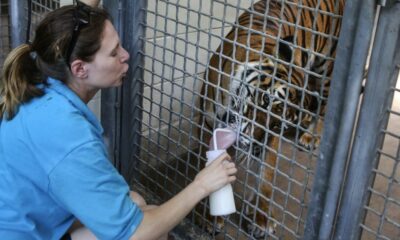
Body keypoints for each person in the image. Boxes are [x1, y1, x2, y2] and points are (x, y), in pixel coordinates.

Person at [0, 0, 237, 239]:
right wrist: (202, 185)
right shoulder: (68, 136)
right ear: (80, 69)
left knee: (136, 200)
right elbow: (134, 234)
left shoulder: (41, 66)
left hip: (32, 215)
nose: (126, 55)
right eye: (114, 52)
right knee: (153, 232)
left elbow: (76, 20)